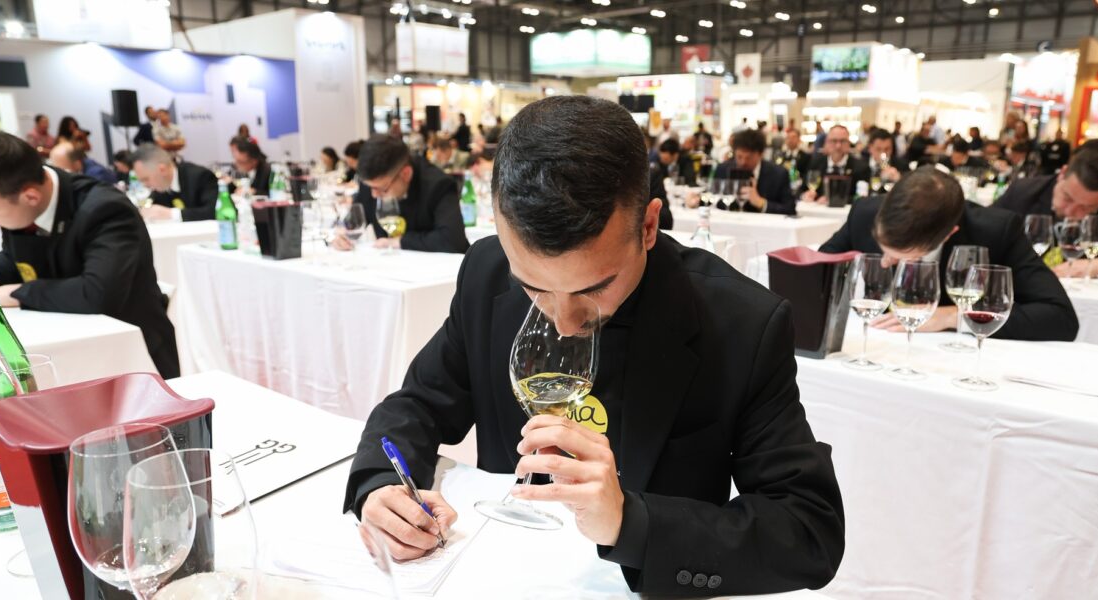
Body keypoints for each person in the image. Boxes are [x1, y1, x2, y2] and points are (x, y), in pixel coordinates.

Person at [343, 95, 844, 595]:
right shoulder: (486, 271)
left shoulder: (742, 323)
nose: (563, 322)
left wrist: (631, 522)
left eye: (594, 288)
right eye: (533, 287)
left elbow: (808, 531)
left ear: (648, 226)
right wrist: (380, 486)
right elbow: (419, 403)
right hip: (501, 576)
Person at [0, 130, 180, 378]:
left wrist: (16, 293)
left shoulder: (105, 208)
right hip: (63, 346)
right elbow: (14, 258)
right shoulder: (16, 203)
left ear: (30, 196)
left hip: (132, 357)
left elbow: (97, 294)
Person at [821, 168, 1078, 341]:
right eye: (882, 247)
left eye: (902, 257)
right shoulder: (865, 213)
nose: (886, 262)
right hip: (876, 344)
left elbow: (1060, 317)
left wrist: (952, 316)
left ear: (947, 235)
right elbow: (816, 275)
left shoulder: (996, 231)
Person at [995, 139, 1098, 281]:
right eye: (1067, 198)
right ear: (1062, 173)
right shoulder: (1023, 192)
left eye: (1087, 207)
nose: (1071, 212)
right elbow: (985, 234)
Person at [335, 134, 469, 254]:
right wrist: (341, 235)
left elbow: (453, 241)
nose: (374, 195)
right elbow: (352, 224)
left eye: (382, 189)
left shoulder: (438, 185)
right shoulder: (373, 182)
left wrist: (398, 242)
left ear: (406, 174)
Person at [705, 129, 796, 214]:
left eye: (749, 158)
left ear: (761, 154)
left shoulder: (778, 174)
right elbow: (713, 199)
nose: (743, 162)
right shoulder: (723, 169)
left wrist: (761, 203)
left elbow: (790, 209)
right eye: (739, 157)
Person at [131, 144, 219, 222]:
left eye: (146, 179)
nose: (145, 185)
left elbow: (213, 212)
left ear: (162, 170)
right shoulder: (159, 188)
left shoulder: (200, 176)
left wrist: (171, 214)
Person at [802, 125, 867, 205]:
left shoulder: (860, 167)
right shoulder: (815, 163)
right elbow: (802, 189)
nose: (838, 146)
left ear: (849, 143)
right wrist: (806, 195)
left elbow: (862, 198)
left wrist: (831, 200)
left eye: (843, 141)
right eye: (834, 141)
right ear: (826, 143)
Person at [858, 128, 907, 193]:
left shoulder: (901, 165)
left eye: (887, 149)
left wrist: (899, 180)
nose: (883, 154)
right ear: (870, 148)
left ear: (892, 148)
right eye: (878, 149)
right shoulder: (859, 164)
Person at [47, 142, 118, 185]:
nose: (60, 174)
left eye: (63, 169)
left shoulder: (96, 176)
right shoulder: (83, 167)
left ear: (77, 164)